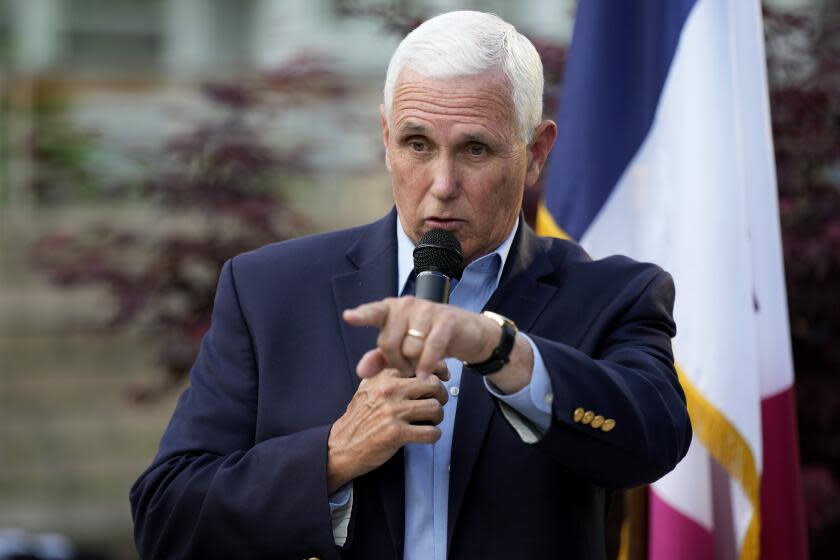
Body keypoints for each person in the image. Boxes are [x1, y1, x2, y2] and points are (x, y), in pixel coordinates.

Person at [130, 10, 691, 560]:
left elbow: (655, 441)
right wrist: (331, 457)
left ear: (536, 152)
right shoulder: (268, 290)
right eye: (418, 144)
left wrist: (500, 352)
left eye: (475, 149)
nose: (442, 185)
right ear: (386, 136)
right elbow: (167, 518)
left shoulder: (615, 294)